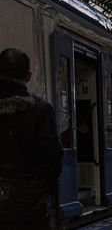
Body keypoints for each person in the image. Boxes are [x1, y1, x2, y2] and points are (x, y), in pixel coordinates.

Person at [0, 48, 64, 229]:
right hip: (30, 203)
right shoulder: (41, 110)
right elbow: (52, 158)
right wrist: (45, 190)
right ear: (28, 76)